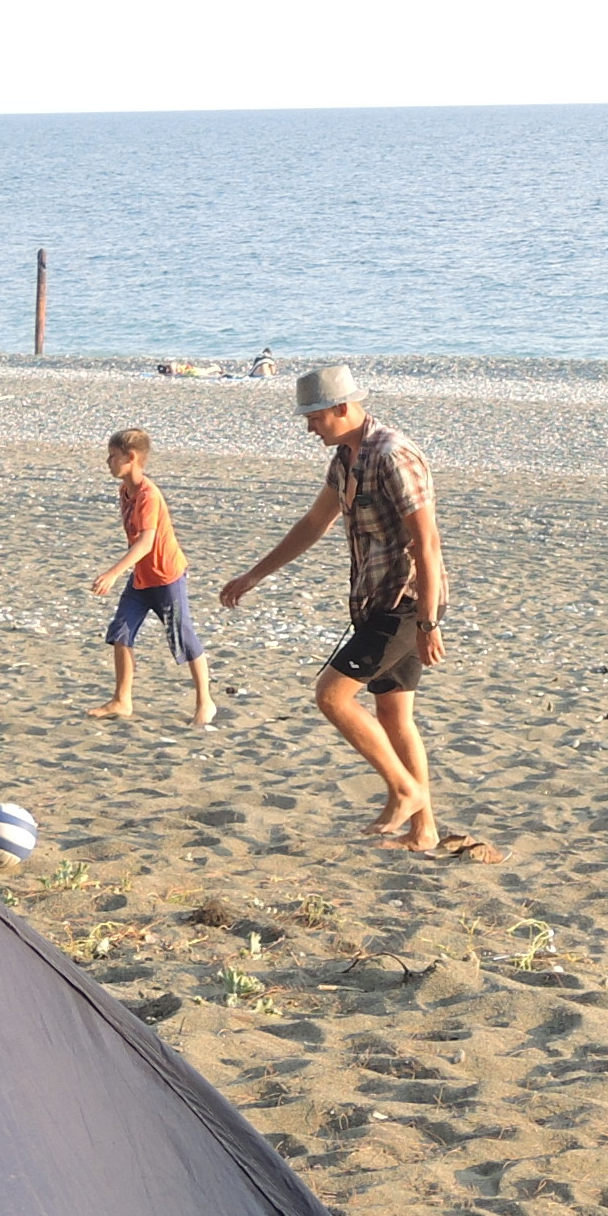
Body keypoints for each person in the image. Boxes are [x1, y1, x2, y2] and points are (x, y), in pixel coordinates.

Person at [219, 364, 468, 855]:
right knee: (394, 714)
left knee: (332, 696)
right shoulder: (345, 459)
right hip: (374, 599)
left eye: (314, 417)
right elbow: (314, 523)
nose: (310, 427)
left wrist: (428, 621)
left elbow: (428, 543)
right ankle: (424, 831)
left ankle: (405, 791)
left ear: (341, 408)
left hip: (405, 603)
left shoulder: (393, 455)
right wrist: (254, 575)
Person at [87, 427, 214, 725]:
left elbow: (146, 542)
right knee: (121, 631)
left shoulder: (149, 496)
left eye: (113, 456)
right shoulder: (125, 491)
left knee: (183, 636)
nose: (108, 461)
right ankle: (122, 700)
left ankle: (205, 702)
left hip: (166, 576)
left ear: (131, 458)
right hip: (142, 577)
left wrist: (113, 573)